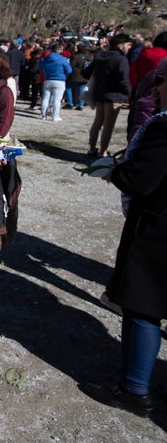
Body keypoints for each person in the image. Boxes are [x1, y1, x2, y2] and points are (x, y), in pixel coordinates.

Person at [81, 59, 167, 419]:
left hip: (157, 230)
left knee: (143, 308)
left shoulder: (164, 129)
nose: (156, 87)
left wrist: (116, 173)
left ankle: (133, 390)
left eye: (161, 82)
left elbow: (140, 180)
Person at [83, 34, 132, 157]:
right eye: (128, 45)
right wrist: (129, 93)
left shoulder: (99, 56)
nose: (129, 48)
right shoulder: (121, 59)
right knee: (108, 125)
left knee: (97, 122)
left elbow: (86, 73)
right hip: (115, 96)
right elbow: (124, 79)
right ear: (120, 45)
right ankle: (103, 151)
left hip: (99, 94)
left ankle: (92, 148)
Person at [39, 43, 71, 121]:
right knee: (57, 99)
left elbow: (41, 69)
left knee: (45, 98)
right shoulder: (63, 59)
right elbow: (69, 70)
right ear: (59, 50)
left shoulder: (45, 59)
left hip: (48, 79)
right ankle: (55, 116)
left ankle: (43, 115)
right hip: (59, 80)